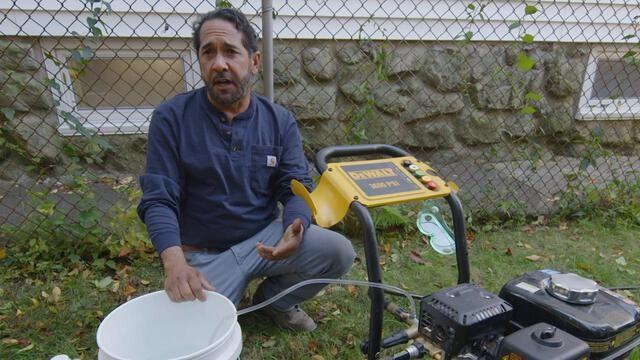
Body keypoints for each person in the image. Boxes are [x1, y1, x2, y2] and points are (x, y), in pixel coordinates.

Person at [137, 8, 356, 332]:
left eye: (230, 52)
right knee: (193, 341)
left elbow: (294, 185)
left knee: (338, 251)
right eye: (208, 52)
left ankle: (274, 302)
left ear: (254, 61)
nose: (219, 64)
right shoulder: (171, 118)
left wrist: (295, 225)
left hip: (264, 241)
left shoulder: (279, 121)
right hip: (205, 255)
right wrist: (175, 263)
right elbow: (159, 198)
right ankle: (216, 301)